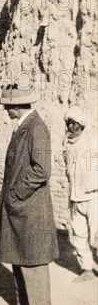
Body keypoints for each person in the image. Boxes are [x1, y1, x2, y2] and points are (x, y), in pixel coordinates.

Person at [0, 85, 59, 305]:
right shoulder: (24, 126)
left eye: (7, 106)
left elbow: (42, 170)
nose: (4, 110)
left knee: (33, 261)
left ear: (16, 106)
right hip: (21, 206)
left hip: (30, 206)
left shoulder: (36, 128)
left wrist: (16, 192)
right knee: (19, 258)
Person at [63, 105, 97, 282]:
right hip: (75, 197)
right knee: (79, 235)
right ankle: (87, 270)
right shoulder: (67, 144)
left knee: (96, 237)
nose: (70, 128)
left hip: (93, 196)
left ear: (82, 125)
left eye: (74, 124)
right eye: (68, 124)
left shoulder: (92, 142)